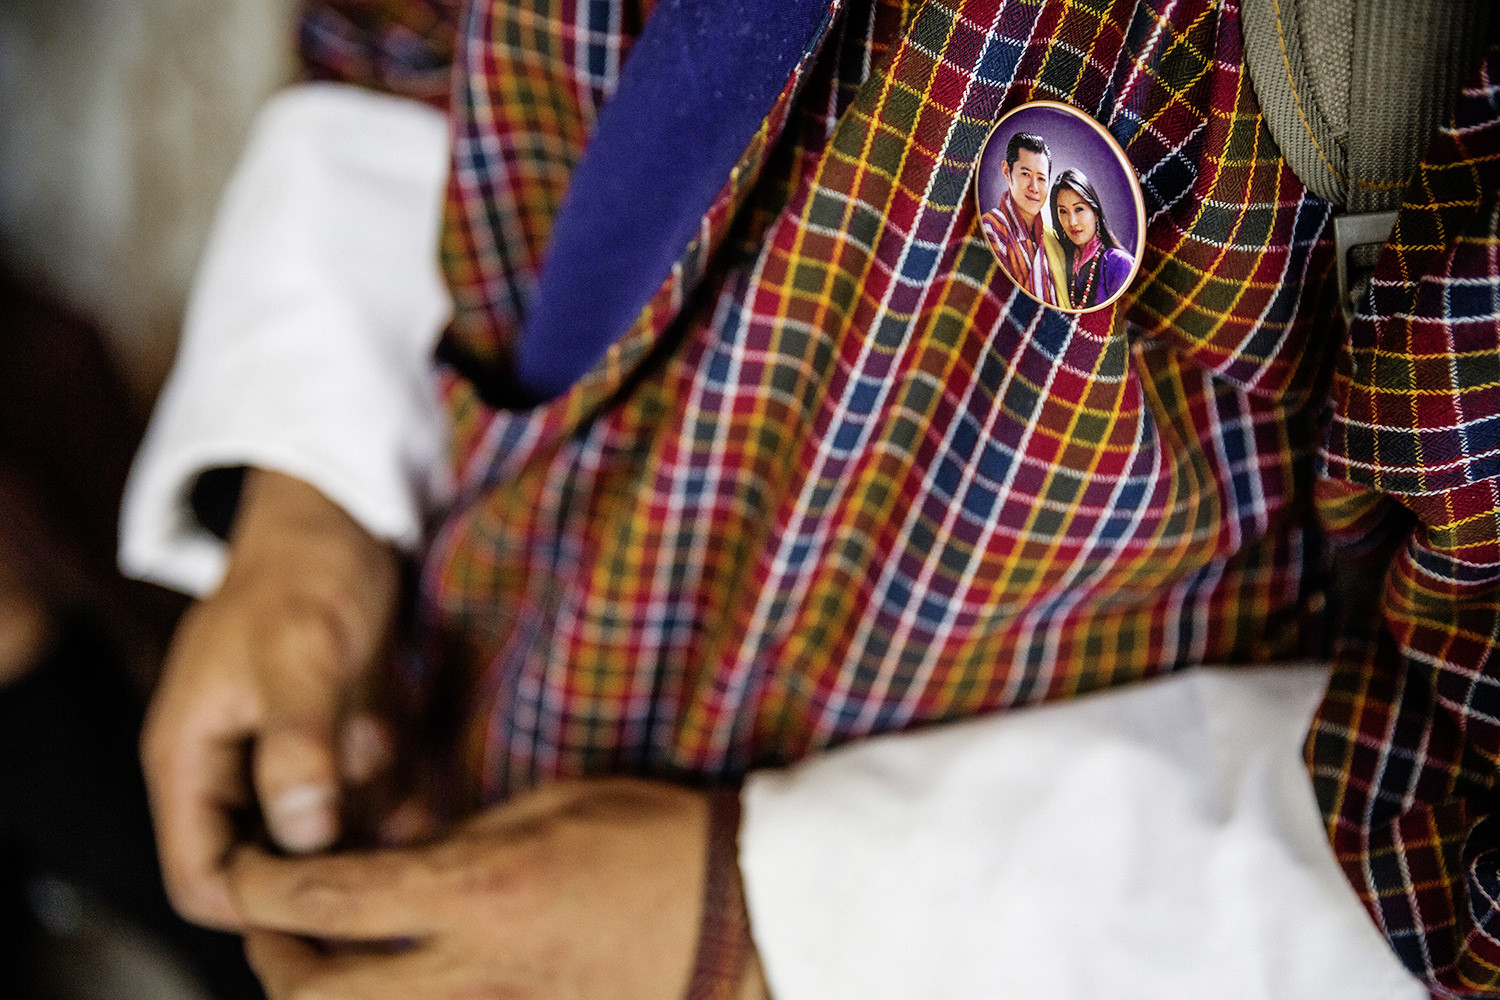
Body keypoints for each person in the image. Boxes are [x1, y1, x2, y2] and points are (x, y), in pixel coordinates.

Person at [121, 0, 1500, 997]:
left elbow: (1469, 842)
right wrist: (312, 495)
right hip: (450, 704)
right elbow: (405, 38)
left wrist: (768, 913)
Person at [977, 131, 1068, 305]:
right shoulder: (993, 228)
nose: (1034, 187)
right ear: (1007, 171)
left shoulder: (1052, 239)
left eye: (1041, 178)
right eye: (1025, 174)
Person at [1049, 167, 1134, 309]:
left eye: (1079, 209)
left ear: (1095, 213)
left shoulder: (1118, 263)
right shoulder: (1064, 263)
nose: (1072, 222)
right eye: (1063, 211)